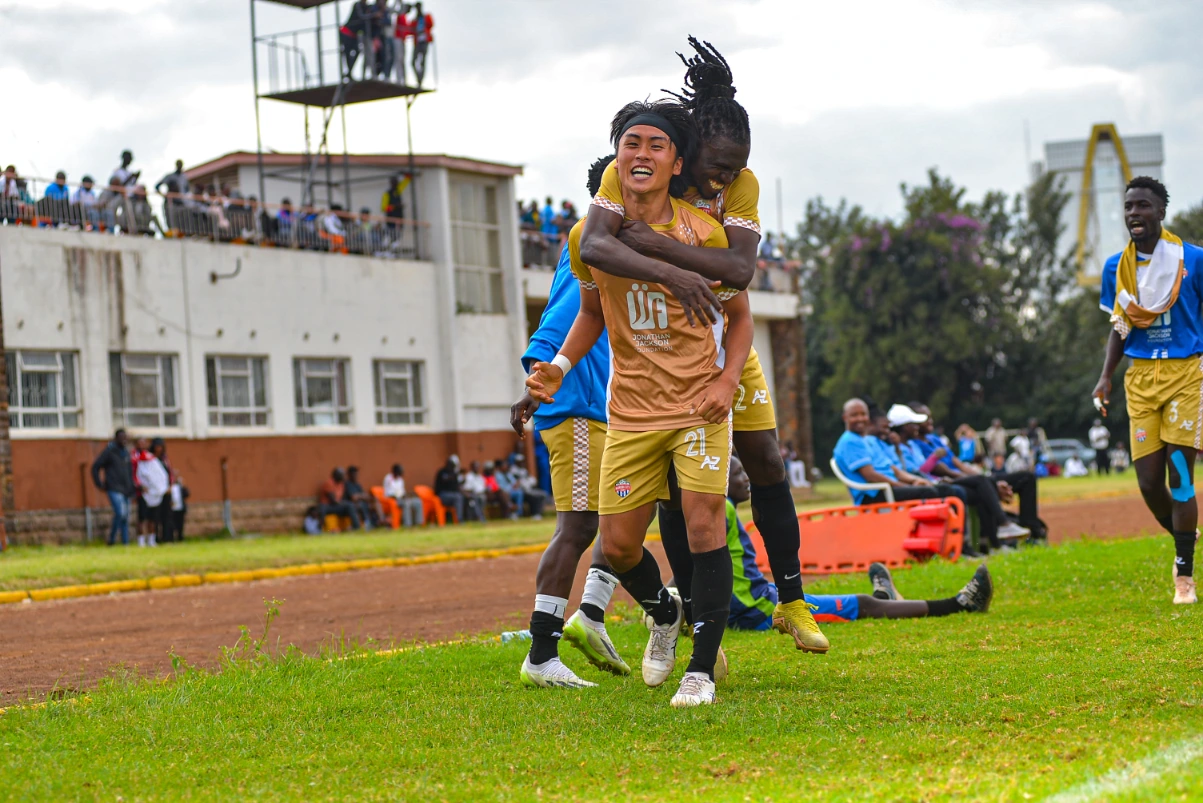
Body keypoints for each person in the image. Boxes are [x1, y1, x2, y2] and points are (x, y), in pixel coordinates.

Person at [581, 38, 827, 659]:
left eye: (736, 167)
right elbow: (596, 245)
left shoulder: (740, 184)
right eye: (716, 167)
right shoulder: (629, 170)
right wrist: (678, 270)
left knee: (766, 460)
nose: (725, 179)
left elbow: (739, 270)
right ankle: (692, 618)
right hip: (665, 353)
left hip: (725, 337)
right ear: (684, 154)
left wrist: (657, 247)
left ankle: (792, 600)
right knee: (676, 491)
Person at [526, 98, 755, 708]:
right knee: (621, 546)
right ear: (617, 158)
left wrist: (727, 381)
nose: (642, 154)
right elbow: (592, 313)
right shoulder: (587, 237)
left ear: (677, 163)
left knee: (704, 524)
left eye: (657, 145)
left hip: (697, 406)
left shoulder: (703, 233)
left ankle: (700, 673)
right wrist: (558, 368)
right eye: (632, 143)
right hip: (629, 411)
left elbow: (739, 316)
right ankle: (665, 614)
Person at [508, 156, 631, 690]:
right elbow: (561, 316)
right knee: (578, 527)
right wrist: (538, 382)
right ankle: (541, 655)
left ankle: (593, 615)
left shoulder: (619, 244)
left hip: (606, 408)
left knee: (625, 516)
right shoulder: (588, 242)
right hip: (576, 407)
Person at [722, 455, 994, 630]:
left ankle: (886, 598)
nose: (746, 478)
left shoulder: (719, 509)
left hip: (759, 598)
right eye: (738, 474)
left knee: (861, 602)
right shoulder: (725, 509)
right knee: (863, 605)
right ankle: (958, 604)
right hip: (759, 610)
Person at [1093, 176, 1203, 605]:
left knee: (1180, 476)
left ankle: (1184, 576)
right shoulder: (1115, 268)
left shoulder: (1193, 259)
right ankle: (1185, 535)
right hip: (1140, 380)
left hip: (1185, 374)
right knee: (1148, 483)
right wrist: (1105, 375)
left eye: (1142, 205)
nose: (1134, 213)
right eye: (1128, 207)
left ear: (1160, 211)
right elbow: (1120, 325)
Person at [91, 428, 134, 546]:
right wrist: (99, 483)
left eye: (125, 437)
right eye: (121, 437)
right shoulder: (109, 452)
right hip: (114, 488)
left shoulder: (126, 453)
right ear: (116, 438)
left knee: (125, 517)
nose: (124, 440)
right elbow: (95, 467)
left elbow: (129, 472)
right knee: (120, 513)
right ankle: (112, 539)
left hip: (126, 489)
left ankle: (125, 542)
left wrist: (131, 487)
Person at [135, 439, 170, 548]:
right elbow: (135, 474)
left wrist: (162, 487)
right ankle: (141, 541)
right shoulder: (134, 458)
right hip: (143, 493)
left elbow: (160, 474)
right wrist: (140, 485)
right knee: (142, 518)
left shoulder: (154, 459)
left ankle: (151, 540)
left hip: (154, 492)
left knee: (153, 518)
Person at [155, 159, 189, 229]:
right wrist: (164, 195)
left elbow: (187, 190)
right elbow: (157, 186)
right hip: (170, 202)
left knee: (182, 223)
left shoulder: (184, 178)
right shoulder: (170, 176)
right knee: (171, 223)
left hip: (180, 203)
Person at [433, 457, 465, 523]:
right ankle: (459, 520)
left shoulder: (454, 473)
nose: (453, 467)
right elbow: (445, 481)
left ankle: (457, 518)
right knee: (458, 497)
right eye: (452, 465)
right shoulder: (442, 472)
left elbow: (457, 485)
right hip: (442, 495)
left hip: (453, 495)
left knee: (460, 496)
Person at [409, 2, 433, 86]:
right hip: (417, 42)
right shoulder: (414, 20)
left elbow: (431, 24)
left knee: (423, 61)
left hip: (424, 41)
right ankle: (418, 77)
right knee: (413, 61)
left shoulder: (426, 17)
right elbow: (410, 29)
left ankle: (420, 80)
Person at [169, 475, 189, 542]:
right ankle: (171, 538)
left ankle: (180, 537)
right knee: (172, 524)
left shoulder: (181, 487)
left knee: (180, 524)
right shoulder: (170, 487)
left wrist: (183, 486)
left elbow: (187, 494)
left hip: (180, 509)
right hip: (172, 509)